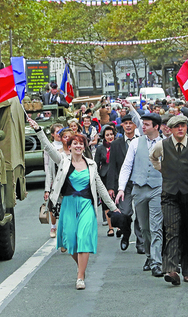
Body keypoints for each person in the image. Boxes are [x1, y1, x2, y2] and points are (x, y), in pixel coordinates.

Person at [29, 118, 119, 291]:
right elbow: (48, 147)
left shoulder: (91, 165)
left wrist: (114, 209)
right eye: (74, 144)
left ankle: (80, 277)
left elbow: (100, 188)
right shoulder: (63, 161)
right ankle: (81, 268)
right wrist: (39, 130)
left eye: (80, 144)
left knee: (84, 237)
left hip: (86, 205)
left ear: (84, 147)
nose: (78, 146)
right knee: (69, 241)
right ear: (69, 146)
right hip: (68, 205)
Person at [149, 114, 188, 285]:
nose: (180, 129)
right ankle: (171, 269)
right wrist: (162, 169)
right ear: (170, 129)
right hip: (169, 193)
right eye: (177, 126)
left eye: (183, 125)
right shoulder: (162, 145)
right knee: (171, 230)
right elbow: (152, 157)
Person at [115, 113, 165, 278]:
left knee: (156, 225)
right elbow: (127, 166)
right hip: (139, 188)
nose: (143, 127)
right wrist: (121, 188)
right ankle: (150, 256)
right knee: (144, 227)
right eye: (143, 124)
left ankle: (157, 262)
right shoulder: (136, 143)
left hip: (158, 187)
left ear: (156, 127)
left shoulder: (165, 143)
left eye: (147, 124)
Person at [106, 110, 145, 253]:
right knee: (125, 212)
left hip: (140, 182)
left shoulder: (142, 140)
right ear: (121, 125)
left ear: (135, 125)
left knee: (141, 214)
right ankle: (126, 234)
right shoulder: (116, 144)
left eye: (131, 123)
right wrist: (111, 187)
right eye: (125, 123)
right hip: (123, 185)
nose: (128, 126)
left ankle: (140, 243)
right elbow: (112, 167)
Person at [45, 124, 71, 238]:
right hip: (56, 182)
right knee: (54, 207)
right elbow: (49, 169)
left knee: (67, 210)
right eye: (57, 132)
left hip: (70, 184)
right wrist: (47, 189)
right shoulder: (52, 149)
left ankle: (65, 233)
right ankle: (54, 226)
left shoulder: (73, 148)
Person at [94, 125, 116, 236]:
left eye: (111, 134)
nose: (110, 137)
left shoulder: (118, 146)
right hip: (104, 177)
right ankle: (110, 227)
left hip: (117, 176)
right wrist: (96, 180)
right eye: (107, 135)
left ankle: (120, 226)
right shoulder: (100, 149)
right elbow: (96, 164)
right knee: (106, 202)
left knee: (118, 201)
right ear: (104, 136)